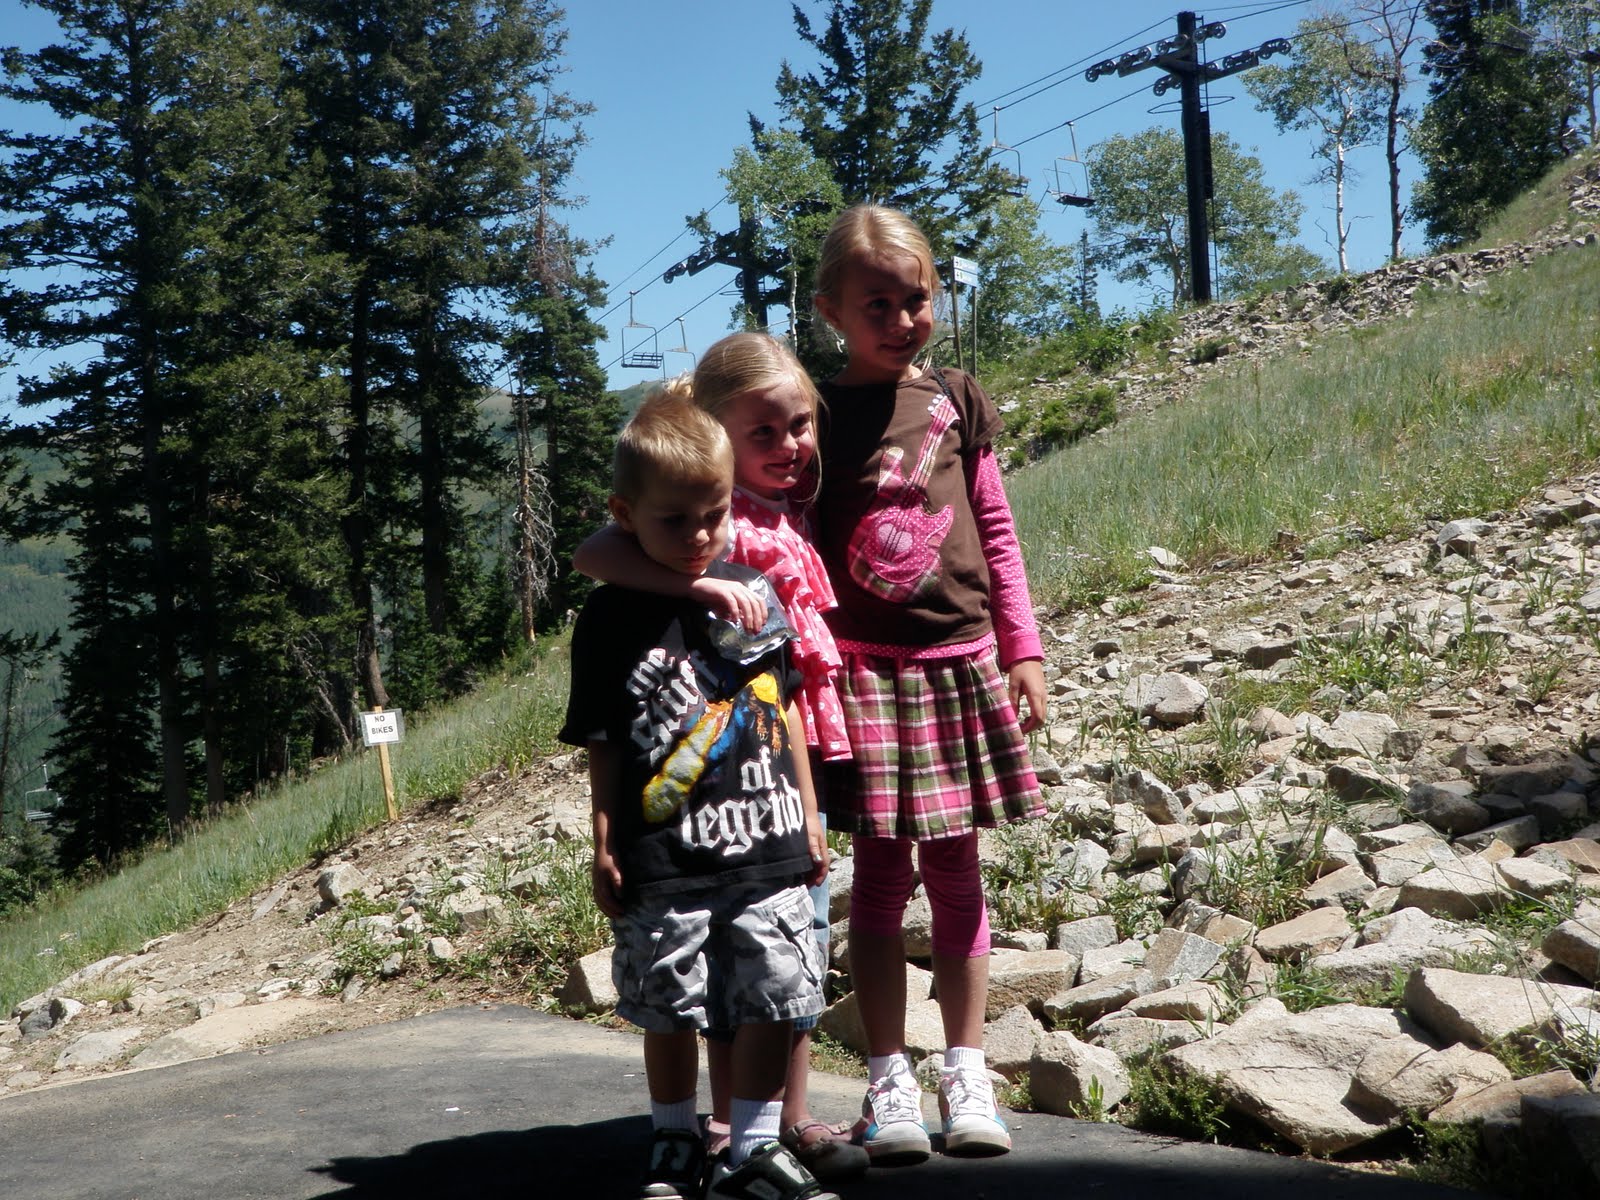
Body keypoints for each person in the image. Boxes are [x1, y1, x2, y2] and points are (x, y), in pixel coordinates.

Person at [573, 338, 868, 1185]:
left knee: (777, 983)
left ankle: (756, 1142)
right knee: (674, 996)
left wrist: (808, 812)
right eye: (676, 521)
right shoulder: (616, 613)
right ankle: (678, 1136)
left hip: (768, 829)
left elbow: (783, 710)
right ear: (629, 513)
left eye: (713, 516)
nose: (700, 534)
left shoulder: (759, 585)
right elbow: (602, 736)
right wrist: (604, 838)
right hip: (668, 850)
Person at [809, 203, 1048, 1165]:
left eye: (917, 299)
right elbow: (794, 546)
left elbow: (996, 528)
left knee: (957, 872)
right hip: (862, 674)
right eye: (877, 304)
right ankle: (887, 1079)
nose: (902, 319)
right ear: (830, 310)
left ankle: (966, 1069)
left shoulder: (956, 398)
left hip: (958, 665)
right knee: (877, 878)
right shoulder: (816, 416)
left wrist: (1022, 647)